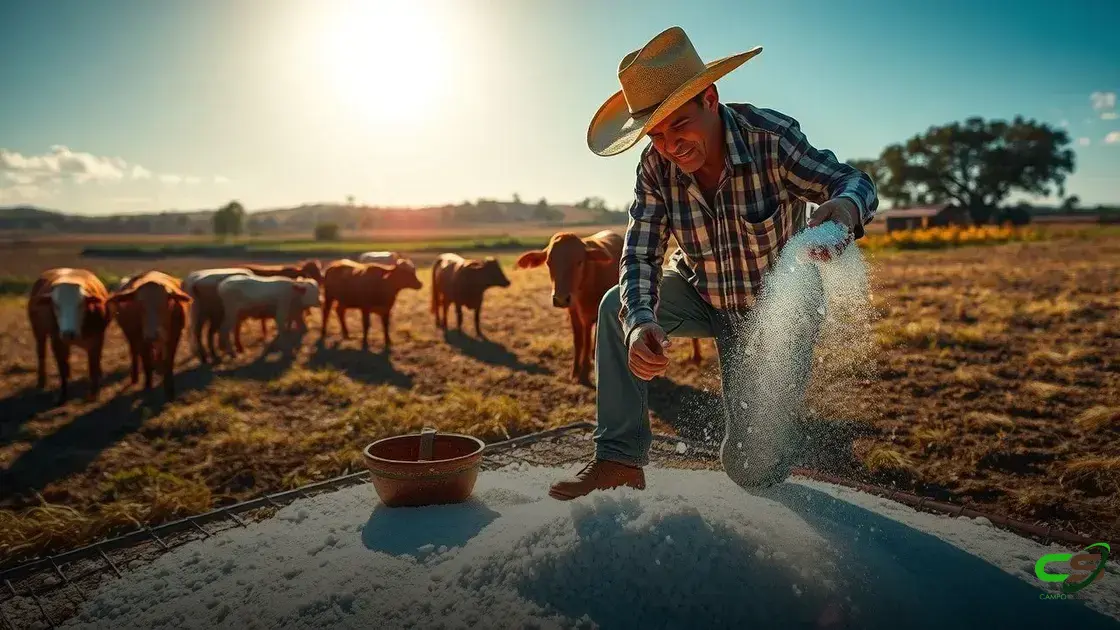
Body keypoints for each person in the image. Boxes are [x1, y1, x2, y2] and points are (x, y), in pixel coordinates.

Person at [548, 26, 879, 500]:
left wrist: (845, 210)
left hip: (775, 314)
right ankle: (619, 461)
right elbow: (640, 251)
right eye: (655, 134)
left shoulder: (770, 138)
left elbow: (852, 181)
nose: (669, 145)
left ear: (710, 98)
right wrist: (640, 323)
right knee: (612, 306)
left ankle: (774, 445)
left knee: (748, 468)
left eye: (679, 125)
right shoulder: (655, 167)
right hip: (701, 293)